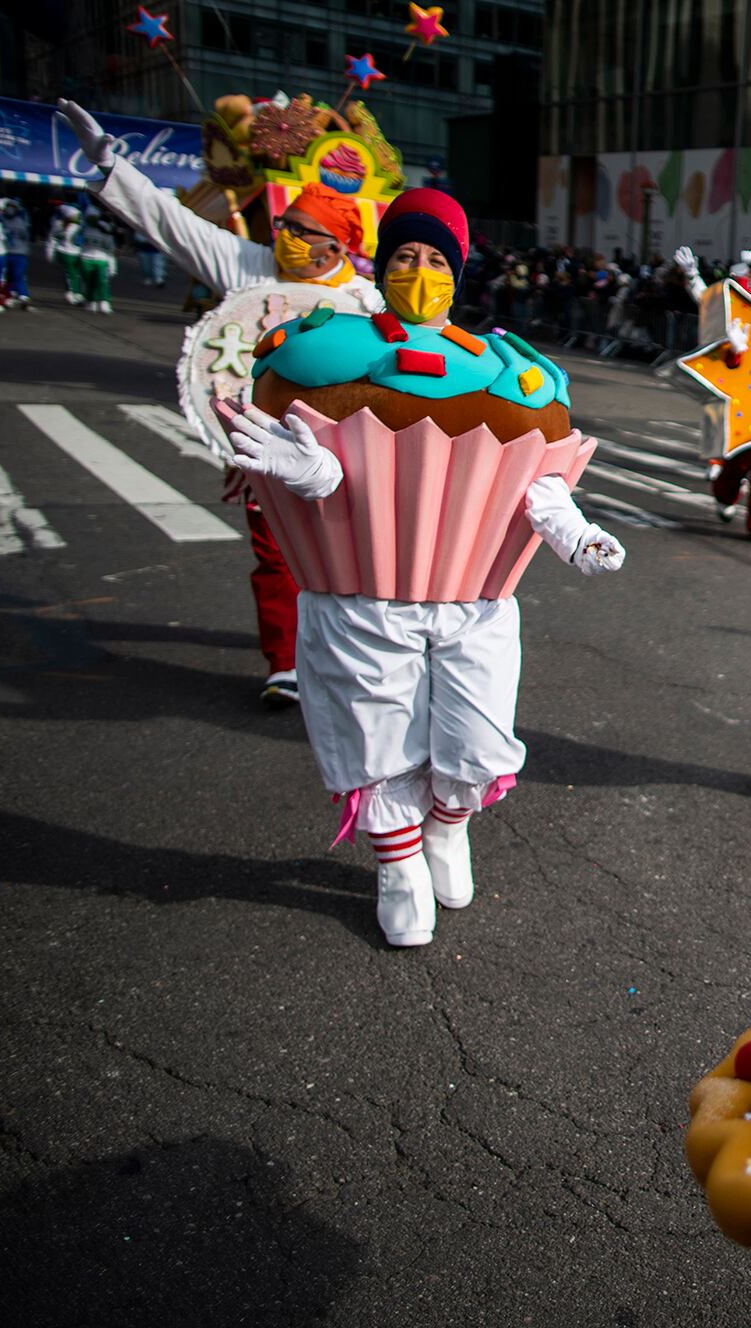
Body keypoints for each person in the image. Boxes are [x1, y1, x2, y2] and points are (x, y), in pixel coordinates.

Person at [222, 188, 627, 947]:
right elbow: (330, 465)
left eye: (436, 259)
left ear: (458, 273)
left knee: (479, 739)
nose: (419, 271)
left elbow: (536, 479)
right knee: (376, 735)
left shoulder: (506, 367)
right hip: (361, 596)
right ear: (380, 267)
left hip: (473, 596)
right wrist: (308, 477)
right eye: (405, 255)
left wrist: (573, 533)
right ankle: (398, 861)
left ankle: (447, 823)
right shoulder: (323, 352)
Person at [60, 98, 382, 709]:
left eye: (302, 231)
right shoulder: (251, 268)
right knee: (274, 552)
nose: (286, 237)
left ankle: (343, 652)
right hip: (264, 443)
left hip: (340, 457)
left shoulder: (367, 301)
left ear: (337, 245)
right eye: (284, 226)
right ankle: (285, 662)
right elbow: (173, 226)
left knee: (347, 557)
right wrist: (112, 167)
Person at [675, 242, 751, 544]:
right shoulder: (738, 305)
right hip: (742, 397)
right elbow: (708, 302)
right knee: (740, 460)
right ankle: (724, 492)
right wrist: (692, 276)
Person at [75, 208, 117, 314]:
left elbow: (111, 248)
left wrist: (112, 265)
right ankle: (91, 301)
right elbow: (75, 241)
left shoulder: (105, 228)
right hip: (86, 258)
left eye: (94, 217)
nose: (91, 220)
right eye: (90, 217)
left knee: (102, 281)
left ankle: (104, 302)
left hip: (101, 259)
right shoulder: (82, 228)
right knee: (89, 282)